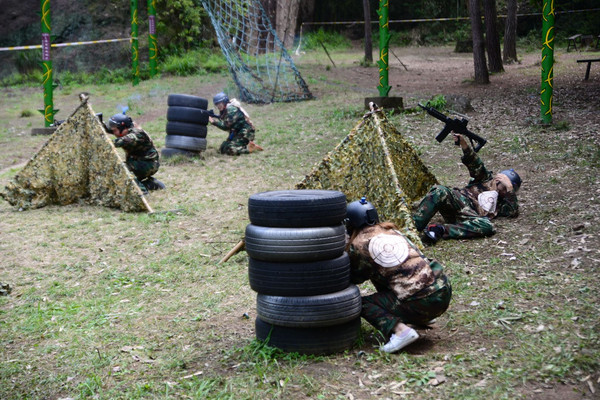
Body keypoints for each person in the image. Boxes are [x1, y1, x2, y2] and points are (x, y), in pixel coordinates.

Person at [345, 198, 452, 353]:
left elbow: (355, 278)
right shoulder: (391, 231)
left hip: (422, 302)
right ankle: (423, 317)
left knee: (360, 303)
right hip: (442, 290)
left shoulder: (359, 244)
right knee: (388, 274)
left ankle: (401, 331)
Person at [413, 133, 522, 242]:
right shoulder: (485, 179)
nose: (503, 192)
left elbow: (512, 212)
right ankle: (412, 227)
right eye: (503, 187)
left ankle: (440, 230)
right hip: (457, 202)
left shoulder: (502, 202)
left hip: (469, 217)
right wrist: (464, 144)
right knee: (440, 190)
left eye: (506, 189)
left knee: (487, 226)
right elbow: (475, 164)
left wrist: (510, 189)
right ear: (498, 179)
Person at [106, 113, 163, 194]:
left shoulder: (137, 134)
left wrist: (103, 142)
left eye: (115, 130)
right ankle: (150, 184)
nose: (114, 133)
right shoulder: (126, 130)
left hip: (148, 164)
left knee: (122, 169)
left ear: (123, 128)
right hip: (140, 163)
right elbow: (110, 130)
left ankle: (140, 191)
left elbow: (120, 142)